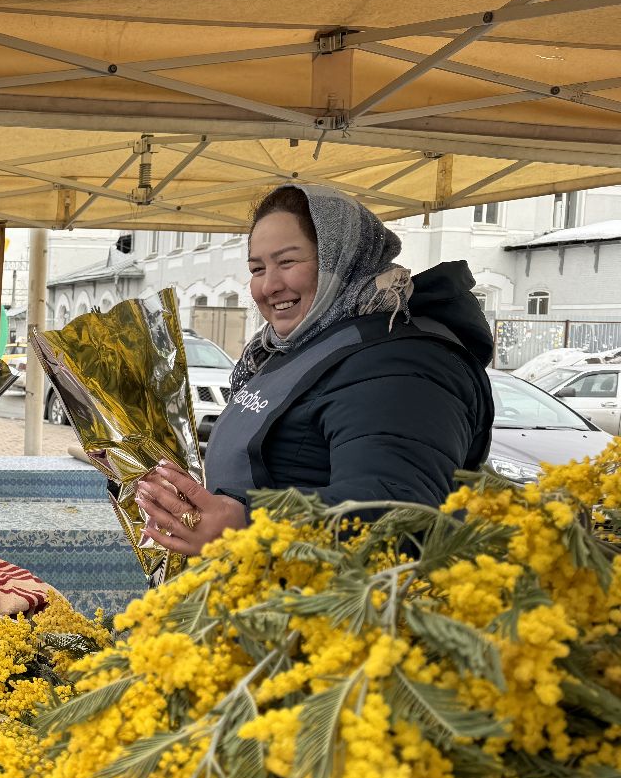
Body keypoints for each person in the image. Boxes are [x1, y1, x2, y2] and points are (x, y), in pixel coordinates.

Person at [137, 183, 494, 553]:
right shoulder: (301, 345)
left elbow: (400, 510)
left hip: (335, 607)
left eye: (288, 262)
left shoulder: (404, 361)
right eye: (257, 268)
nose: (269, 285)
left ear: (339, 257)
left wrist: (247, 527)